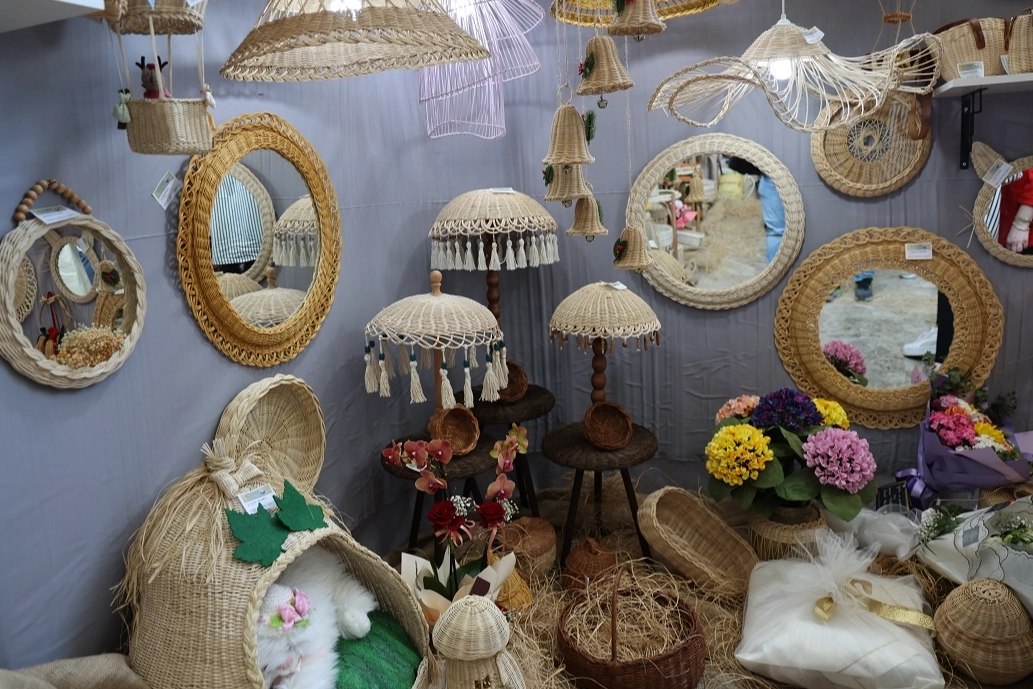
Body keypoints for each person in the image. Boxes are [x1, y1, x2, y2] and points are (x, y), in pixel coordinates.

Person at [726, 157, 785, 263]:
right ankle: (777, 269)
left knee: (777, 231)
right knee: (777, 231)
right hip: (773, 177)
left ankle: (776, 267)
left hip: (772, 177)